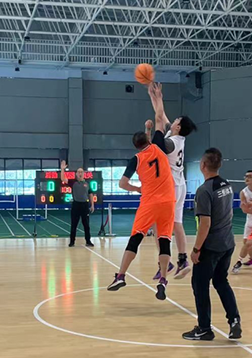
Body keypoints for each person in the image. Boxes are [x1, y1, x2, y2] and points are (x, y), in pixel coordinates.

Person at [106, 129, 176, 301]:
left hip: (149, 202)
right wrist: (149, 128)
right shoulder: (158, 148)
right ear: (148, 140)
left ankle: (121, 276)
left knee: (136, 238)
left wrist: (137, 189)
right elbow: (158, 127)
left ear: (135, 146)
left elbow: (123, 184)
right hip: (168, 201)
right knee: (164, 240)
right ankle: (163, 280)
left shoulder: (136, 159)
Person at [182, 148, 241, 341]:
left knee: (199, 285)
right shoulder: (227, 185)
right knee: (221, 281)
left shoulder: (204, 191)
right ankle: (234, 320)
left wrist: (196, 249)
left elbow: (205, 224)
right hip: (228, 243)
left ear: (203, 165)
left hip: (211, 246)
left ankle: (204, 328)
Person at [147, 83, 198, 280]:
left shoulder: (170, 143)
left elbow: (160, 118)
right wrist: (155, 96)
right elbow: (161, 115)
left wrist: (157, 97)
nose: (173, 120)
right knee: (177, 223)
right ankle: (182, 259)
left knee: (159, 225)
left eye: (176, 120)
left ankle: (166, 261)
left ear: (178, 126)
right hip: (180, 184)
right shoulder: (178, 136)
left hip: (171, 187)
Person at [61, 160, 94, 247]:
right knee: (74, 225)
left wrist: (92, 205)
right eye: (78, 172)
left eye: (81, 172)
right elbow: (63, 179)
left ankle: (88, 241)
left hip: (85, 205)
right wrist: (62, 169)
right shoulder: (73, 182)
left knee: (86, 225)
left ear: (84, 174)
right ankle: (72, 242)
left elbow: (90, 194)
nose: (80, 173)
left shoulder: (87, 183)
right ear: (76, 174)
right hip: (76, 205)